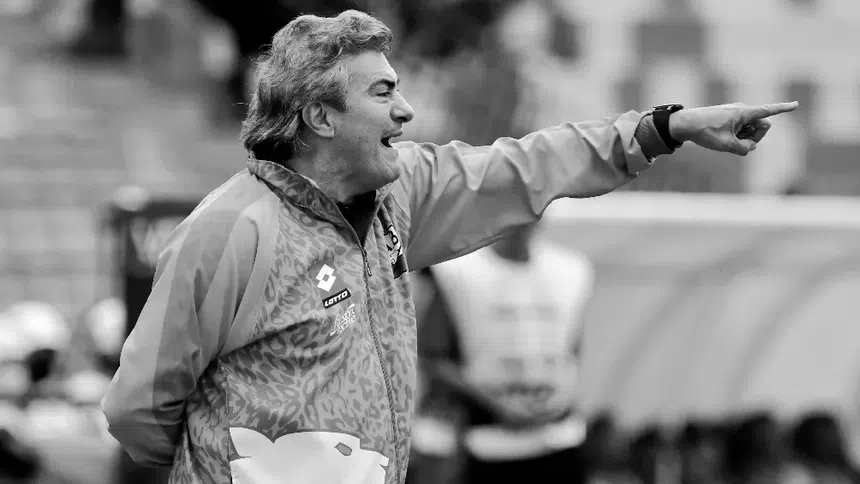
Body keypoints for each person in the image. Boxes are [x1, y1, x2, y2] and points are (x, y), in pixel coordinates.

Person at [99, 9, 798, 484]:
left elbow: (525, 165)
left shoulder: (400, 194)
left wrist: (664, 129)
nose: (406, 110)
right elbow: (138, 409)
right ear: (319, 116)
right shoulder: (231, 230)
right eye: (382, 92)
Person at [415, 222, 595, 484]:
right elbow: (432, 357)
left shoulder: (570, 270)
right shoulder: (456, 271)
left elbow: (572, 350)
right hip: (484, 442)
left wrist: (558, 397)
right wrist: (496, 403)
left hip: (559, 437)